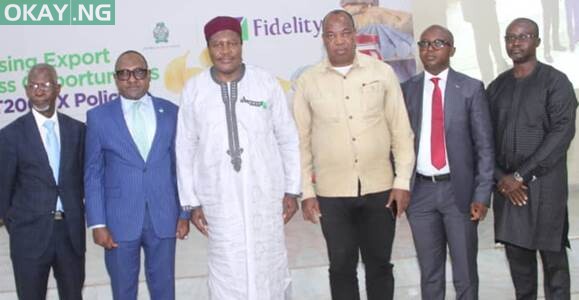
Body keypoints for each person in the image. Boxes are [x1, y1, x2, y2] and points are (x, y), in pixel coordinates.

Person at [292, 10, 415, 300]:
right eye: (331, 35)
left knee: (380, 265)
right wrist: (306, 192)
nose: (339, 42)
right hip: (331, 194)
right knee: (341, 266)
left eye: (345, 33)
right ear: (323, 39)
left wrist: (403, 182)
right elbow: (300, 141)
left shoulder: (381, 72)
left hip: (381, 189)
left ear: (354, 34)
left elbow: (401, 131)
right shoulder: (308, 81)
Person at [176, 16, 301, 299]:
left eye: (231, 43)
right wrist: (192, 202)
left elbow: (287, 137)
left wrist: (292, 189)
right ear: (208, 48)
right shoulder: (195, 90)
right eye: (217, 45)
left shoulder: (264, 82)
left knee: (269, 265)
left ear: (241, 45)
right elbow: (185, 147)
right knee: (226, 269)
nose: (225, 51)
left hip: (265, 196)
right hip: (218, 199)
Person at [84, 50, 190, 299]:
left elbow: (181, 167)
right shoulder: (98, 117)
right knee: (123, 291)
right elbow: (93, 173)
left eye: (138, 72)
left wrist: (184, 212)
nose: (132, 79)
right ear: (115, 78)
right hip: (119, 221)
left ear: (149, 75)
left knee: (164, 290)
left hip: (164, 217)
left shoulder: (171, 112)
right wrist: (98, 223)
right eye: (124, 73)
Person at [401, 25, 494, 300]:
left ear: (452, 49)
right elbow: (399, 142)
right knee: (430, 273)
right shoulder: (407, 89)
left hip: (460, 193)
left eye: (438, 43)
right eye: (424, 44)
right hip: (420, 195)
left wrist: (482, 195)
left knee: (465, 272)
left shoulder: (470, 88)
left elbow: (485, 147)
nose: (430, 49)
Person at [487, 18, 577, 300]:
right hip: (507, 190)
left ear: (537, 41)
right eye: (511, 37)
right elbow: (483, 139)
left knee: (555, 266)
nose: (516, 42)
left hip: (545, 187)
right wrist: (501, 177)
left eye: (524, 36)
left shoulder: (556, 82)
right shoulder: (497, 87)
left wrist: (519, 176)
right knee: (519, 267)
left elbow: (561, 134)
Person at [0, 63, 86, 299]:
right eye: (33, 85)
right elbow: (3, 192)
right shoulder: (10, 136)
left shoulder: (78, 131)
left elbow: (83, 180)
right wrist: (19, 226)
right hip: (29, 238)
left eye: (46, 85)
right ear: (26, 91)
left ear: (58, 88)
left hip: (70, 236)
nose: (39, 90)